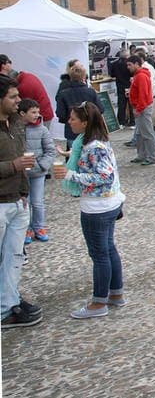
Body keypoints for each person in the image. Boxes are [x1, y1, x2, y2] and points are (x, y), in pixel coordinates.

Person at [52, 102, 126, 319]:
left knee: (100, 254)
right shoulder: (94, 141)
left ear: (85, 122)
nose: (69, 121)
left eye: (73, 118)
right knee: (108, 249)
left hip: (98, 208)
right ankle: (116, 294)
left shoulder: (94, 146)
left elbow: (105, 177)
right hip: (108, 204)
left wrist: (70, 175)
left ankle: (99, 302)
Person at [0, 75, 42, 328]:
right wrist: (11, 166)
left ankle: (7, 303)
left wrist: (25, 191)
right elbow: (16, 163)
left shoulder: (15, 122)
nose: (19, 100)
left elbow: (23, 161)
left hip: (17, 200)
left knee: (14, 256)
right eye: (13, 97)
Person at [19, 99, 55, 243]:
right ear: (22, 114)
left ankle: (39, 227)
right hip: (22, 173)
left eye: (37, 112)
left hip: (38, 173)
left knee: (38, 202)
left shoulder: (42, 129)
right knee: (24, 202)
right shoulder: (18, 129)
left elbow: (50, 150)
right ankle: (26, 228)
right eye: (33, 112)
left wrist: (41, 165)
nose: (36, 115)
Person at [55, 64, 103, 150]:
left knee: (74, 157)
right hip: (90, 130)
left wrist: (70, 120)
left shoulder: (63, 93)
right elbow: (101, 109)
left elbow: (60, 114)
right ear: (84, 77)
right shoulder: (91, 92)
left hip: (72, 130)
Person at [127, 55, 155, 166]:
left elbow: (143, 95)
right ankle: (142, 155)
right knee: (140, 133)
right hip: (140, 107)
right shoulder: (138, 75)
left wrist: (138, 109)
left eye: (130, 65)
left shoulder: (141, 76)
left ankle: (151, 156)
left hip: (143, 108)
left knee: (147, 133)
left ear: (136, 64)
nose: (128, 67)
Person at [109, 49, 135, 128]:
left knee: (121, 104)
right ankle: (132, 122)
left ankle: (121, 122)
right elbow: (132, 73)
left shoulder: (114, 63)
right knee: (131, 104)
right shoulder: (129, 64)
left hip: (120, 86)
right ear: (127, 55)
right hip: (129, 85)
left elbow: (112, 74)